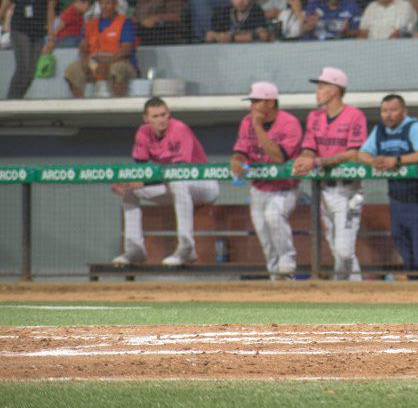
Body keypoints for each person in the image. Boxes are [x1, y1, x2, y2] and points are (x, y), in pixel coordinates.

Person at [111, 98, 219, 266]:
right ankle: (134, 251)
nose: (161, 120)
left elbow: (180, 171)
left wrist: (144, 183)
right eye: (155, 116)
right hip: (172, 185)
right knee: (129, 191)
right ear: (146, 119)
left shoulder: (180, 129)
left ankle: (185, 249)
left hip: (204, 184)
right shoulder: (143, 133)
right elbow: (141, 169)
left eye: (164, 115)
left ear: (169, 115)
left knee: (178, 181)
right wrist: (127, 183)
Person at [291, 67, 369, 280]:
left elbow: (354, 152)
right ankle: (354, 291)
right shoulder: (315, 117)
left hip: (349, 190)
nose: (318, 90)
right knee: (337, 249)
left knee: (344, 251)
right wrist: (305, 158)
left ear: (336, 89)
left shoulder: (354, 115)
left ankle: (341, 287)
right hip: (324, 190)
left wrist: (315, 161)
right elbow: (309, 147)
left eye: (322, 86)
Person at [357, 94, 418, 274]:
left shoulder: (415, 127)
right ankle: (414, 296)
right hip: (396, 201)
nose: (388, 115)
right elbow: (362, 154)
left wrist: (398, 160)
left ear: (404, 111)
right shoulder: (380, 130)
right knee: (405, 253)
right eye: (384, 111)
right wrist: (374, 161)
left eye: (393, 110)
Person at [230, 81, 303, 280]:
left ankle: (287, 267)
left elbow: (279, 158)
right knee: (264, 235)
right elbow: (240, 151)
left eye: (256, 101)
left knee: (273, 216)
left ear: (270, 103)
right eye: (251, 101)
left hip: (285, 188)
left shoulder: (290, 123)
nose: (251, 106)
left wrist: (258, 127)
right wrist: (236, 161)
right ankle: (275, 279)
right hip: (259, 189)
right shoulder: (246, 122)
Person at [1, 0, 57, 99]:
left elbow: (51, 12)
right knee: (23, 68)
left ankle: (16, 101)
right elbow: (4, 7)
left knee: (31, 72)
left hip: (39, 32)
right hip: (20, 30)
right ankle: (10, 104)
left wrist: (52, 37)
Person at [63, 0, 135, 97]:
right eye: (101, 3)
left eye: (108, 3)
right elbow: (83, 47)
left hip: (118, 62)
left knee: (117, 69)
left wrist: (107, 62)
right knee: (73, 69)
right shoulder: (90, 24)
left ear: (115, 4)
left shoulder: (125, 22)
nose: (104, 6)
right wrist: (85, 61)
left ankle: (118, 104)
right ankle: (80, 105)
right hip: (95, 63)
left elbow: (126, 49)